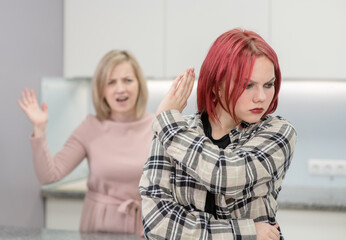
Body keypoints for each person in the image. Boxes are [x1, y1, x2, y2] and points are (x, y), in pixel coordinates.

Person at [139, 28, 297, 240]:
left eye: (268, 84)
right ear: (216, 86)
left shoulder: (279, 132)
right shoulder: (172, 130)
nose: (261, 96)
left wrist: (168, 124)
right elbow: (157, 223)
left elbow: (226, 175)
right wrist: (246, 232)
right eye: (248, 85)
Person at [18, 50, 155, 235]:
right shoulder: (90, 127)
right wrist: (40, 129)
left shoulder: (157, 126)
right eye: (111, 82)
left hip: (144, 226)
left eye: (128, 80)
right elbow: (49, 175)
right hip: (97, 227)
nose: (121, 89)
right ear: (101, 90)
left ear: (139, 84)